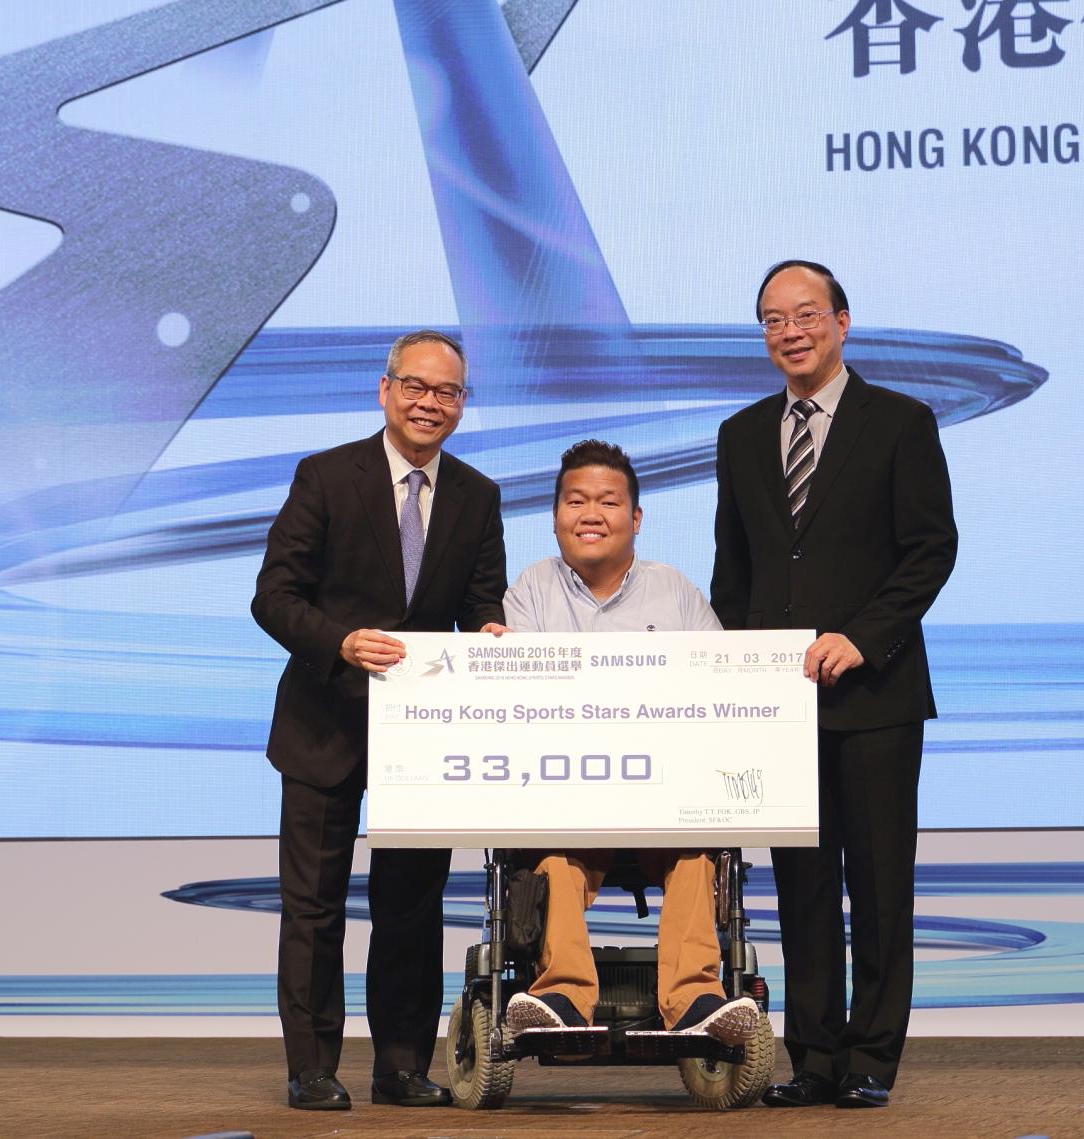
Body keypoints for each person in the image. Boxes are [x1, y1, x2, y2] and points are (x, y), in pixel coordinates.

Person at [711, 261, 957, 1108]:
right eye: (774, 320)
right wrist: (742, 670)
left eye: (806, 314)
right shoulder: (741, 433)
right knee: (802, 887)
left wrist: (862, 635)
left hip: (876, 695)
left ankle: (871, 1059)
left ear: (843, 323)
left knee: (880, 885)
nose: (791, 331)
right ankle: (813, 1055)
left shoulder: (900, 422)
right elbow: (733, 572)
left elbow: (931, 548)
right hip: (779, 706)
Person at [252, 329, 507, 1111]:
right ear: (386, 389)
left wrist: (492, 629)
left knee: (411, 909)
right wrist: (339, 640)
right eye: (417, 387)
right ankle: (312, 1068)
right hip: (324, 724)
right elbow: (274, 596)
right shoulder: (326, 476)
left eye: (448, 392)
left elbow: (481, 601)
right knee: (315, 905)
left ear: (463, 404)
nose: (431, 403)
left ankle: (401, 1064)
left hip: (422, 739)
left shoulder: (477, 493)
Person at [501, 439, 758, 1045]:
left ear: (635, 518)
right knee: (555, 860)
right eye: (576, 501)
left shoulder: (673, 591)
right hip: (568, 790)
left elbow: (722, 684)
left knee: (697, 852)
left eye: (609, 501)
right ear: (556, 515)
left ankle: (696, 999)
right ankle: (562, 995)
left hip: (664, 793)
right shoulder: (531, 591)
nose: (591, 514)